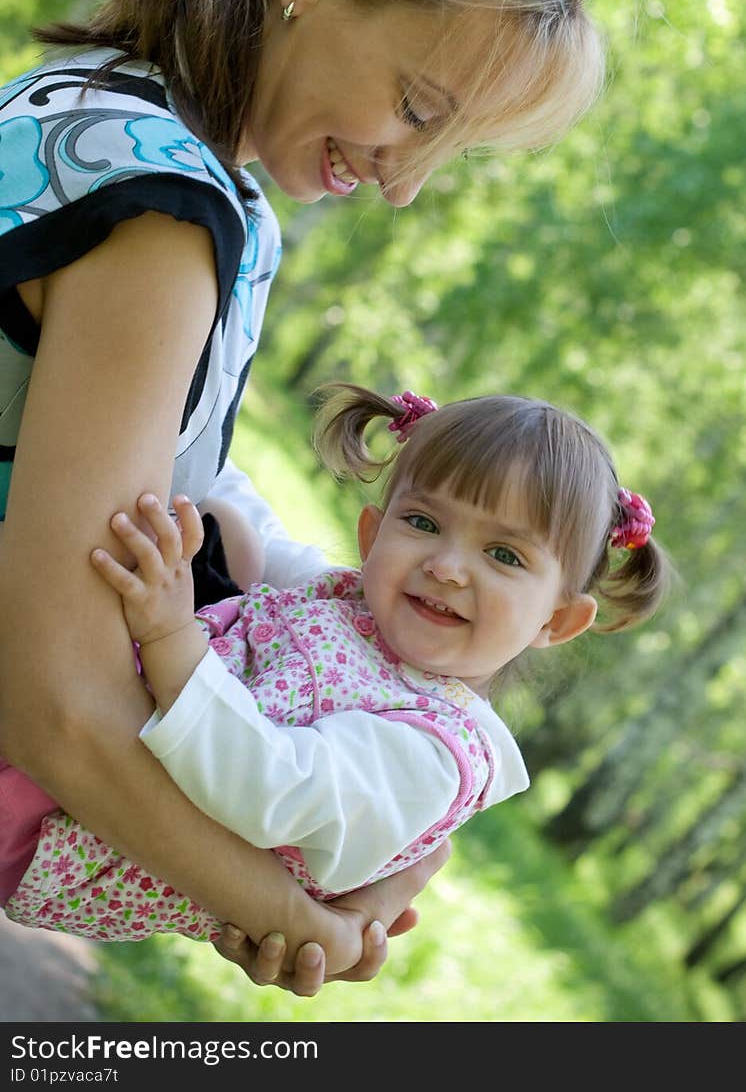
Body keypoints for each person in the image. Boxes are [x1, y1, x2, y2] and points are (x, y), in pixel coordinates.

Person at [0, 0, 604, 992]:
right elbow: (52, 708)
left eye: (450, 147)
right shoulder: (165, 218)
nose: (404, 182)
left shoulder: (95, 107)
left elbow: (143, 471)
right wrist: (292, 915)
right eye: (419, 110)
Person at [2, 385, 669, 939]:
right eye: (425, 524)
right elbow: (253, 527)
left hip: (67, 827)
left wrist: (173, 636)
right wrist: (172, 403)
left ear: (557, 620)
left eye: (504, 556)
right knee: (220, 530)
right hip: (82, 744)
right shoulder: (354, 604)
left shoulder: (433, 752)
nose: (446, 566)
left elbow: (270, 788)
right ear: (373, 535)